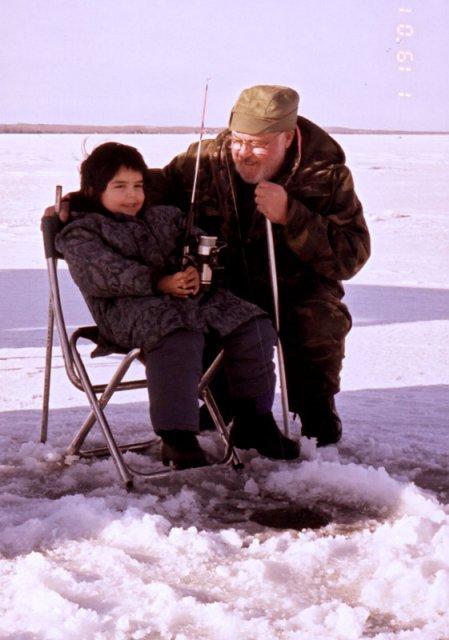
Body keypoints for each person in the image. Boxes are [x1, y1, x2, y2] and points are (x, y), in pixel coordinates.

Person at [51, 142, 300, 469]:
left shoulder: (164, 216)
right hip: (129, 313)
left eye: (138, 186)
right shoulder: (82, 230)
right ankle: (177, 436)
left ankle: (254, 420)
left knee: (252, 323)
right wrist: (159, 281)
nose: (132, 196)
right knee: (178, 331)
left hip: (188, 301)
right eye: (120, 187)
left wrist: (199, 268)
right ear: (95, 190)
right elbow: (101, 274)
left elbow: (202, 244)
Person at [147, 85, 371, 447]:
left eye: (259, 144)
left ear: (287, 136)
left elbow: (352, 254)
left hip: (297, 289)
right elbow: (150, 188)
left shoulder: (326, 176)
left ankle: (315, 407)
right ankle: (222, 401)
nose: (244, 154)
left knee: (318, 322)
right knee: (192, 315)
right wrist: (83, 201)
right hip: (225, 283)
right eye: (238, 140)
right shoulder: (206, 160)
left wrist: (292, 216)